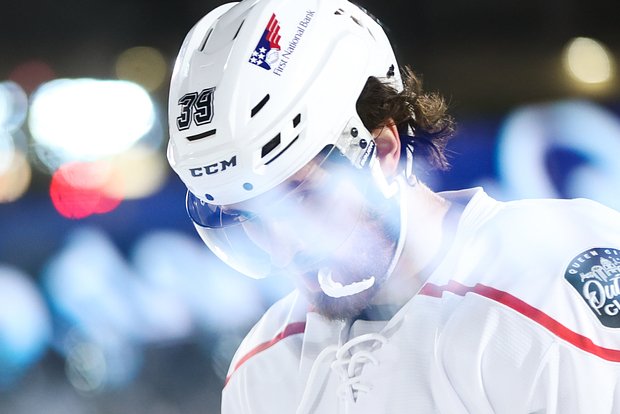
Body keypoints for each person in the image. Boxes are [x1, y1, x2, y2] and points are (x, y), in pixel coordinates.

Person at [167, 0, 620, 412]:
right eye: (248, 217)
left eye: (300, 198)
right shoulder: (261, 370)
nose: (283, 249)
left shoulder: (549, 284)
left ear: (382, 149)